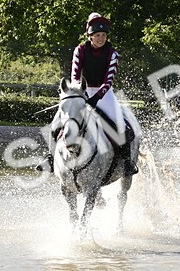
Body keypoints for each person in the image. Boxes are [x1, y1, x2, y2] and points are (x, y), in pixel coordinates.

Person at [41, 12, 138, 175]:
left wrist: (96, 98)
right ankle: (51, 158)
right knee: (55, 124)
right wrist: (80, 94)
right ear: (90, 36)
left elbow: (109, 81)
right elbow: (74, 76)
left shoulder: (112, 54)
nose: (101, 38)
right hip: (80, 92)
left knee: (121, 125)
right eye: (97, 35)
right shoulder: (80, 51)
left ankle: (126, 161)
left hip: (104, 93)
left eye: (104, 35)